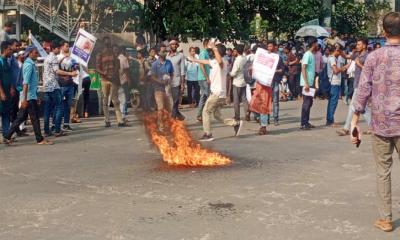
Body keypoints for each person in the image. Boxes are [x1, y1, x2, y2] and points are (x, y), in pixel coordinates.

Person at [351, 12, 400, 233]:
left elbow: (362, 91)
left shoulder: (373, 57)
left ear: (384, 32)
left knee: (383, 171)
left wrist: (354, 121)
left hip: (381, 124)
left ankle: (386, 219)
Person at [189, 42, 242, 141]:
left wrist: (214, 48)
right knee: (217, 115)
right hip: (217, 93)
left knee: (206, 111)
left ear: (218, 52)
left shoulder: (223, 62)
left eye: (214, 51)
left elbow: (220, 62)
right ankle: (235, 123)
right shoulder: (215, 61)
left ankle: (208, 134)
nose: (212, 52)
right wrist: (194, 59)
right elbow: (206, 61)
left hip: (218, 93)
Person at [4, 46, 52, 145]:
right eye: (35, 52)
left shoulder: (31, 64)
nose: (37, 54)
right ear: (29, 53)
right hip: (29, 96)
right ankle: (40, 139)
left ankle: (7, 136)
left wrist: (36, 96)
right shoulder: (28, 65)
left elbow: (32, 83)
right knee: (34, 118)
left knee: (21, 117)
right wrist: (25, 99)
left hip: (31, 95)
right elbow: (25, 83)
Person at [337, 38, 371, 136]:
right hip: (356, 83)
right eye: (357, 44)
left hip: (362, 84)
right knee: (363, 108)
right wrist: (339, 51)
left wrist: (359, 64)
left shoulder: (368, 56)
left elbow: (368, 70)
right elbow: (347, 56)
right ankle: (373, 126)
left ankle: (346, 128)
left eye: (359, 44)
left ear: (364, 45)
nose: (357, 46)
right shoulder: (356, 54)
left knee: (352, 106)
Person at [43, 41, 77, 137]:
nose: (59, 50)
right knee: (60, 107)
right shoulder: (53, 57)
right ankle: (57, 129)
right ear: (54, 49)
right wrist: (71, 74)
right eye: (58, 48)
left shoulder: (47, 58)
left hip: (47, 86)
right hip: (54, 85)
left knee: (47, 109)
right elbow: (56, 70)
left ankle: (47, 130)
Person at [96, 36, 126, 127]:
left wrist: (114, 74)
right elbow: (97, 68)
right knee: (105, 100)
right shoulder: (100, 54)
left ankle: (120, 120)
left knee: (115, 100)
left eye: (108, 43)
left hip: (113, 80)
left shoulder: (114, 54)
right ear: (103, 44)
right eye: (106, 43)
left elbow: (118, 66)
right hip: (104, 80)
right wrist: (104, 73)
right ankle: (107, 120)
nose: (107, 45)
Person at [57, 41, 79, 131]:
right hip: (61, 85)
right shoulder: (58, 57)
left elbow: (76, 67)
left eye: (68, 46)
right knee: (60, 106)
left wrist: (76, 67)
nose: (68, 48)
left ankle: (66, 124)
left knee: (68, 105)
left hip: (70, 84)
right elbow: (56, 70)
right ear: (62, 47)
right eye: (66, 46)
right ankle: (56, 125)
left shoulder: (71, 58)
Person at [150, 50, 173, 131]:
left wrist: (170, 80)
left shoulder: (169, 62)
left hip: (167, 88)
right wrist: (160, 81)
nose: (164, 53)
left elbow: (172, 73)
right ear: (159, 53)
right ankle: (160, 125)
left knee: (169, 109)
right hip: (158, 89)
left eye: (165, 52)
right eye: (162, 52)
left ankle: (169, 124)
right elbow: (152, 76)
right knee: (161, 108)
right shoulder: (155, 64)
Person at [326, 45, 347, 127]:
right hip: (334, 83)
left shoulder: (334, 58)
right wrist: (343, 68)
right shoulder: (332, 59)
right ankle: (330, 121)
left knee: (332, 102)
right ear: (337, 50)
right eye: (340, 51)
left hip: (335, 82)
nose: (341, 53)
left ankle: (329, 120)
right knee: (333, 102)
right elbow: (335, 71)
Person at [300, 37, 318, 130]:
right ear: (314, 44)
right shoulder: (307, 54)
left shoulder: (311, 54)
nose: (318, 45)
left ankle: (306, 121)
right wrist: (306, 83)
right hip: (306, 82)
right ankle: (303, 123)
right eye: (317, 43)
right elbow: (303, 67)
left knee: (309, 102)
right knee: (306, 103)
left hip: (310, 82)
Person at [166, 38, 185, 120]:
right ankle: (178, 114)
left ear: (177, 46)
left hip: (177, 80)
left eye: (175, 44)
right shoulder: (166, 56)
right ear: (169, 46)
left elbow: (183, 71)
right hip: (167, 81)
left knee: (176, 99)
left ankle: (173, 117)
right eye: (172, 44)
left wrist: (183, 83)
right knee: (170, 100)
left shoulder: (181, 56)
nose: (173, 45)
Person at [229, 44, 247, 127]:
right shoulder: (245, 58)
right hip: (244, 80)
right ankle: (247, 113)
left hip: (237, 82)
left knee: (236, 100)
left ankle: (237, 116)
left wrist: (229, 73)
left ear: (237, 51)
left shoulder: (238, 60)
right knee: (244, 99)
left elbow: (233, 73)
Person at [0, 41, 15, 141]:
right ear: (5, 49)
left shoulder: (7, 61)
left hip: (7, 92)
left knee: (6, 113)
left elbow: (9, 77)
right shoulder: (0, 61)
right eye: (10, 49)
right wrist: (1, 93)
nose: (11, 51)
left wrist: (11, 88)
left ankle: (6, 135)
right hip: (2, 93)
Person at [270, 41, 285, 126]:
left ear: (275, 47)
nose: (269, 48)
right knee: (267, 101)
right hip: (267, 82)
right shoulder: (265, 57)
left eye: (271, 46)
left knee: (275, 101)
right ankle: (266, 119)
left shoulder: (278, 58)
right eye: (268, 46)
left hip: (275, 81)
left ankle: (276, 119)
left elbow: (282, 70)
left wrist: (274, 71)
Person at [196, 39, 211, 122]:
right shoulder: (203, 53)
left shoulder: (207, 53)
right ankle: (205, 114)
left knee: (203, 97)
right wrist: (207, 77)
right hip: (203, 78)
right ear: (206, 44)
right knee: (208, 96)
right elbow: (201, 66)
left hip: (205, 78)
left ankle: (199, 115)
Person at [117, 46, 130, 120]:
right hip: (124, 81)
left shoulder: (117, 58)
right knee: (124, 99)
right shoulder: (124, 59)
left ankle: (121, 116)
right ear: (123, 51)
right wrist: (129, 80)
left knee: (119, 99)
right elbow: (126, 71)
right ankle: (123, 116)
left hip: (117, 81)